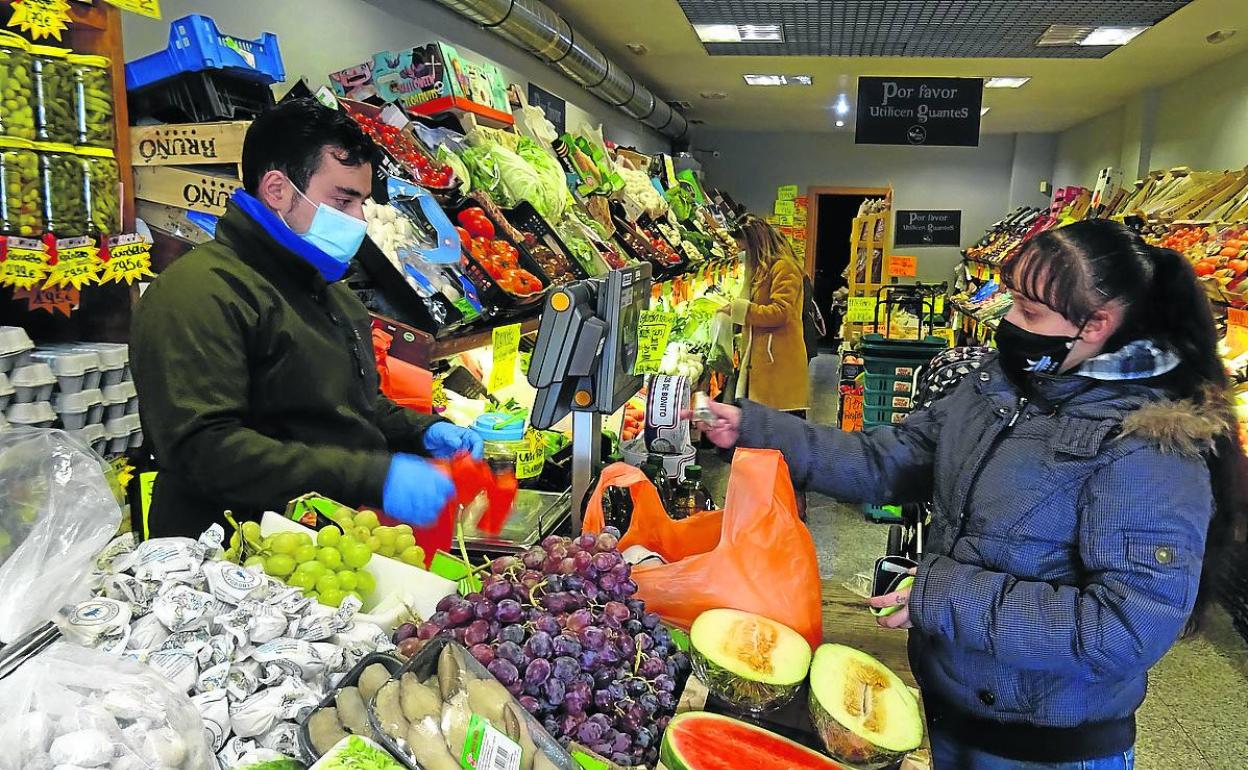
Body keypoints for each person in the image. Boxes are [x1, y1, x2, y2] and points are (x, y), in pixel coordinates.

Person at [692, 219, 1242, 769]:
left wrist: (940, 597)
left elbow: (1127, 626)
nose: (1008, 321)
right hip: (944, 709)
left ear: (1097, 324)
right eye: (1012, 301)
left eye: (1029, 311)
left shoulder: (1148, 446)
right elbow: (888, 460)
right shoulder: (998, 390)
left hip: (1042, 749)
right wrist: (752, 428)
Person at [131, 99, 482, 539]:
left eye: (361, 202)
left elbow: (355, 405)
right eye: (343, 200)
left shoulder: (331, 292)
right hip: (230, 560)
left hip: (326, 539)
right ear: (277, 190)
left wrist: (423, 432)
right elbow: (203, 450)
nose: (358, 220)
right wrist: (372, 476)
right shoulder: (196, 294)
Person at [724, 215, 810, 413]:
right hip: (765, 363)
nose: (740, 254)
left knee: (782, 432)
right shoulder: (762, 270)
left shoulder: (784, 267)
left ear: (756, 245)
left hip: (778, 365)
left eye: (743, 249)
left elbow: (781, 312)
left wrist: (740, 310)